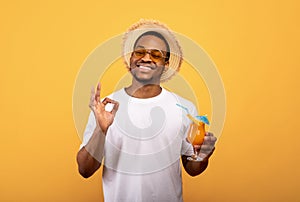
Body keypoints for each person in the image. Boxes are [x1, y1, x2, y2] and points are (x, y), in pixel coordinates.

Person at [76, 19, 217, 202]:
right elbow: (84, 170)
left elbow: (192, 169)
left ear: (166, 63)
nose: (146, 58)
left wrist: (203, 156)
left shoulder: (184, 108)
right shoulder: (106, 107)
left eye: (156, 55)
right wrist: (101, 129)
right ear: (131, 58)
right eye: (139, 52)